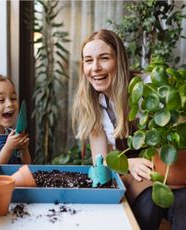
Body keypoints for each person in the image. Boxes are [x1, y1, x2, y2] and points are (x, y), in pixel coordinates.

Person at [72, 29, 186, 230]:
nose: (95, 68)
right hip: (132, 173)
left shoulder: (147, 87)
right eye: (88, 61)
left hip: (166, 167)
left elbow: (178, 132)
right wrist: (129, 163)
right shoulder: (93, 103)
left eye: (104, 58)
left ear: (119, 60)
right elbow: (101, 159)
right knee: (149, 201)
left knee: (182, 202)